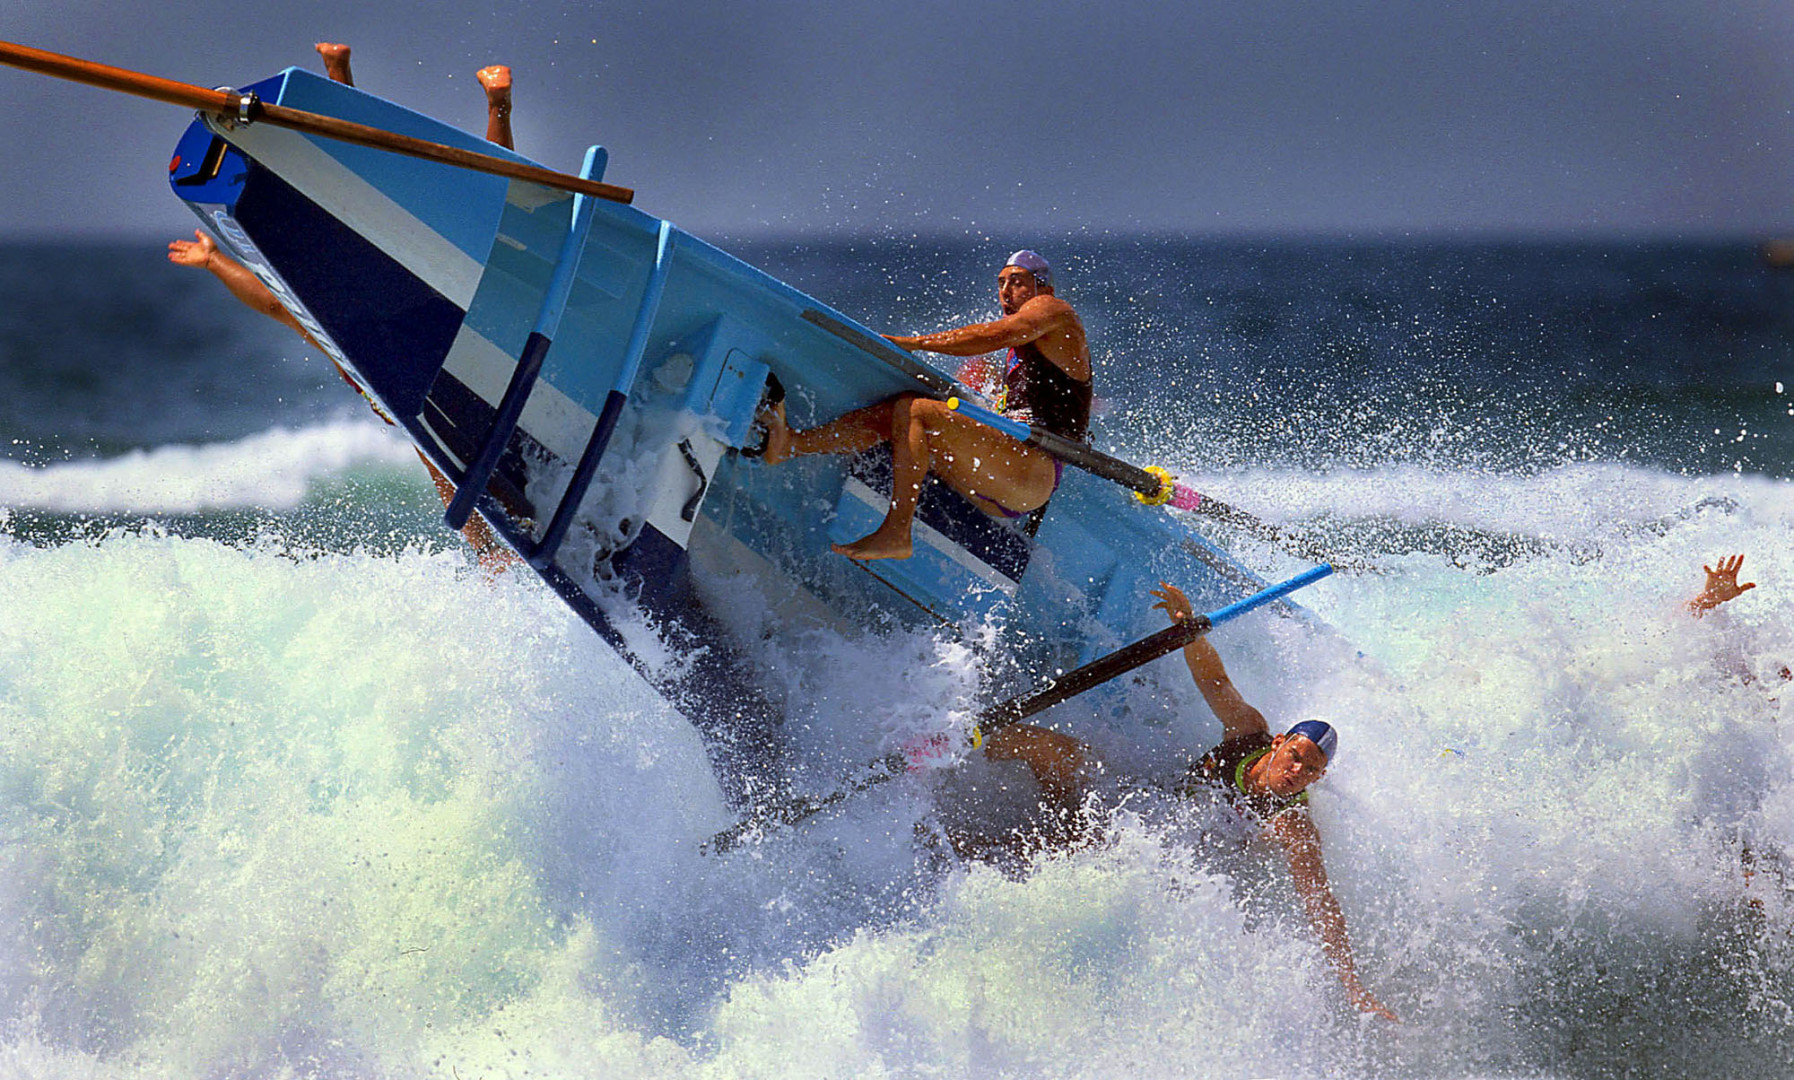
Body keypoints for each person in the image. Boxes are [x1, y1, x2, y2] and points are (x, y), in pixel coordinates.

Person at [940, 581, 1397, 1021]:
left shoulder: (1292, 824)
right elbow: (1214, 680)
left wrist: (1351, 984)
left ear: (1319, 778)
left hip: (1166, 864)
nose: (1297, 772)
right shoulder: (1247, 732)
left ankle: (952, 857)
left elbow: (1320, 901)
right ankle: (940, 751)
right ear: (1279, 742)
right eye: (1296, 756)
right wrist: (1188, 628)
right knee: (1051, 749)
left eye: (1311, 770)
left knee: (1075, 845)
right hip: (1145, 807)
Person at [167, 43, 521, 574]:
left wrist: (217, 261)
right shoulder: (347, 335)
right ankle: (364, 81)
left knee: (437, 215)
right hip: (431, 331)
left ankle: (492, 558)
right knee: (383, 203)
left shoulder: (348, 340)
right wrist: (216, 260)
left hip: (431, 346)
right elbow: (275, 303)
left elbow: (274, 304)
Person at [758, 250, 1092, 560]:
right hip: (1003, 480)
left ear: (1044, 288)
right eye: (1001, 283)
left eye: (1017, 282)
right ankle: (791, 445)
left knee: (918, 411)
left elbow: (997, 334)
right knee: (898, 412)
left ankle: (896, 532)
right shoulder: (1030, 346)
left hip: (1031, 472)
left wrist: (916, 343)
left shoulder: (1055, 310)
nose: (1006, 291)